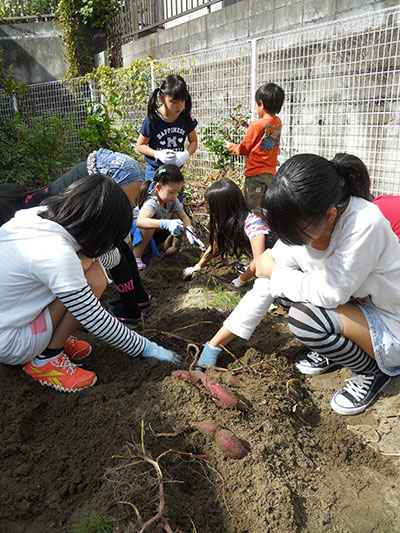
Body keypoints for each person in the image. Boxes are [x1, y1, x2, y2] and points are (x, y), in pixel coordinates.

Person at [196, 153, 400, 416]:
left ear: (329, 215)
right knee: (286, 292)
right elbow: (264, 287)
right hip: (359, 312)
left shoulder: (363, 223)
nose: (289, 241)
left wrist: (274, 270)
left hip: (391, 325)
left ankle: (372, 371)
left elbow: (332, 293)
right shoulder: (303, 226)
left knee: (305, 319)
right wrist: (214, 344)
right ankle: (337, 351)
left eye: (293, 233)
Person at [0, 174, 179, 393]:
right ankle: (46, 358)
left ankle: (50, 339)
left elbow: (113, 256)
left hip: (12, 319)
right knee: (95, 278)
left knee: (88, 269)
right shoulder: (56, 252)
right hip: (13, 342)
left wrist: (84, 260)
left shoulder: (36, 217)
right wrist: (148, 349)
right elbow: (93, 317)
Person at [23, 149, 150, 325]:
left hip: (108, 173)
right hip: (117, 167)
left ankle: (131, 308)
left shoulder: (38, 212)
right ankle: (138, 299)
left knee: (112, 247)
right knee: (116, 244)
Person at [182, 178, 276, 287]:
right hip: (264, 259)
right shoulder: (232, 218)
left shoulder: (253, 221)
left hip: (279, 258)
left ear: (223, 207)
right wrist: (198, 266)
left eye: (211, 207)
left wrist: (241, 280)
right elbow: (216, 245)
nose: (208, 210)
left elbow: (259, 259)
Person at [226, 82, 284, 207]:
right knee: (267, 206)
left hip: (256, 175)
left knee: (253, 207)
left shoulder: (256, 125)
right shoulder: (278, 122)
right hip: (271, 173)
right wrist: (250, 126)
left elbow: (242, 150)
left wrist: (230, 145)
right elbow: (264, 132)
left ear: (261, 104)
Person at [136, 74, 198, 184]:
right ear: (162, 98)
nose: (179, 106)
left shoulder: (186, 118)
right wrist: (158, 154)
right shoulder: (153, 119)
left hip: (175, 170)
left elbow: (194, 141)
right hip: (155, 170)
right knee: (154, 194)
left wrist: (185, 155)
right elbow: (140, 145)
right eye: (174, 102)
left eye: (182, 101)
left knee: (175, 194)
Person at [133, 164, 196, 269]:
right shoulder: (152, 202)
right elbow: (140, 221)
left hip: (156, 231)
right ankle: (136, 258)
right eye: (171, 192)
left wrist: (188, 227)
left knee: (176, 217)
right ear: (158, 187)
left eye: (178, 192)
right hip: (137, 231)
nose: (175, 196)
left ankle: (165, 251)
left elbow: (184, 217)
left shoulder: (172, 201)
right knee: (150, 223)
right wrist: (166, 223)